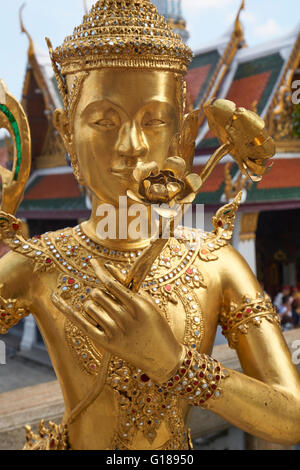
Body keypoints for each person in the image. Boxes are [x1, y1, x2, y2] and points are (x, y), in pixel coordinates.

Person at [0, 0, 300, 451]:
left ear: (181, 133)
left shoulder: (215, 263)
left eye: (154, 120)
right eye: (103, 120)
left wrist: (176, 364)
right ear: (66, 133)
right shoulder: (38, 264)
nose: (131, 147)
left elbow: (291, 416)